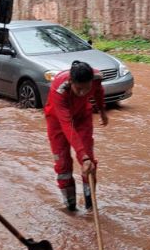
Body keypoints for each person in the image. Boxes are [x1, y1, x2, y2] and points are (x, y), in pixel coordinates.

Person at [45, 60, 107, 212]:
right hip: (58, 121)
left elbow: (98, 92)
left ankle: (90, 206)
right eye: (78, 89)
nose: (83, 93)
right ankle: (70, 207)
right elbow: (67, 125)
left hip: (82, 116)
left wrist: (102, 112)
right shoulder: (59, 89)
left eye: (86, 88)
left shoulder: (96, 78)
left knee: (89, 163)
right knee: (63, 164)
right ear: (71, 81)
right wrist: (82, 156)